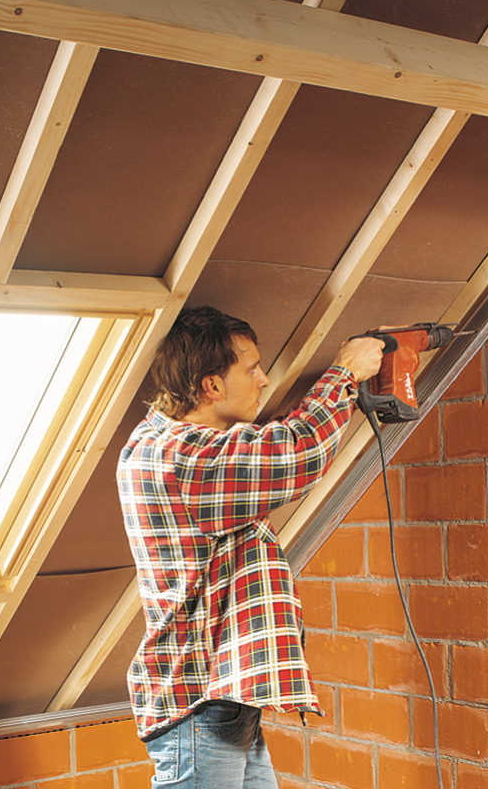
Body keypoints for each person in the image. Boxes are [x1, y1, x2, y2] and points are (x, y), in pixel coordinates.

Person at [117, 305, 385, 788]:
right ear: (211, 386)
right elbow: (290, 454)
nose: (264, 380)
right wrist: (344, 372)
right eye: (252, 368)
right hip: (198, 707)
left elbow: (255, 450)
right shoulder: (182, 460)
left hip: (222, 701)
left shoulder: (171, 441)